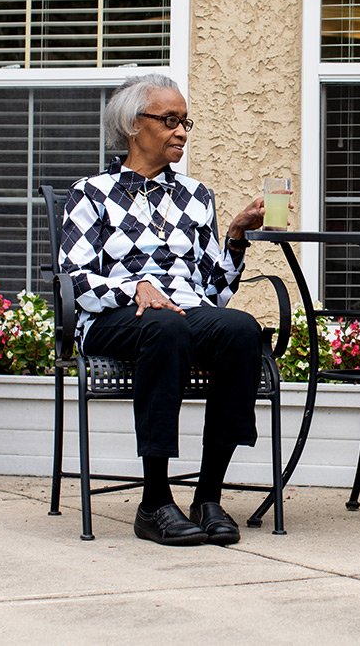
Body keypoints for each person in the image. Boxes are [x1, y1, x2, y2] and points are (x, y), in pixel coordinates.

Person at [58, 74, 269, 547]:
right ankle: (155, 501)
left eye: (184, 122)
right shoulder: (91, 193)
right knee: (164, 327)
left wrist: (234, 234)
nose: (181, 132)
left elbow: (215, 293)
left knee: (240, 329)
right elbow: (74, 278)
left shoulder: (196, 196)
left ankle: (208, 497)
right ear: (134, 125)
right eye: (169, 121)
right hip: (114, 317)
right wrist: (135, 290)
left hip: (182, 310)